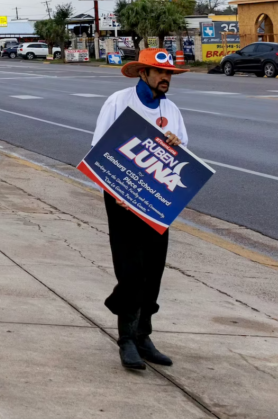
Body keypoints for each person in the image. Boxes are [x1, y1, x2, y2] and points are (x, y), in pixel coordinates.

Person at [91, 48, 189, 371]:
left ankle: (144, 335)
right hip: (121, 198)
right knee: (131, 270)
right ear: (142, 73)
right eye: (159, 73)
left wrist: (176, 144)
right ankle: (126, 341)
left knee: (154, 271)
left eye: (169, 74)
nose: (165, 78)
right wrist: (114, 188)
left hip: (157, 200)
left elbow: (183, 157)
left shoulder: (172, 110)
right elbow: (99, 151)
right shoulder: (118, 102)